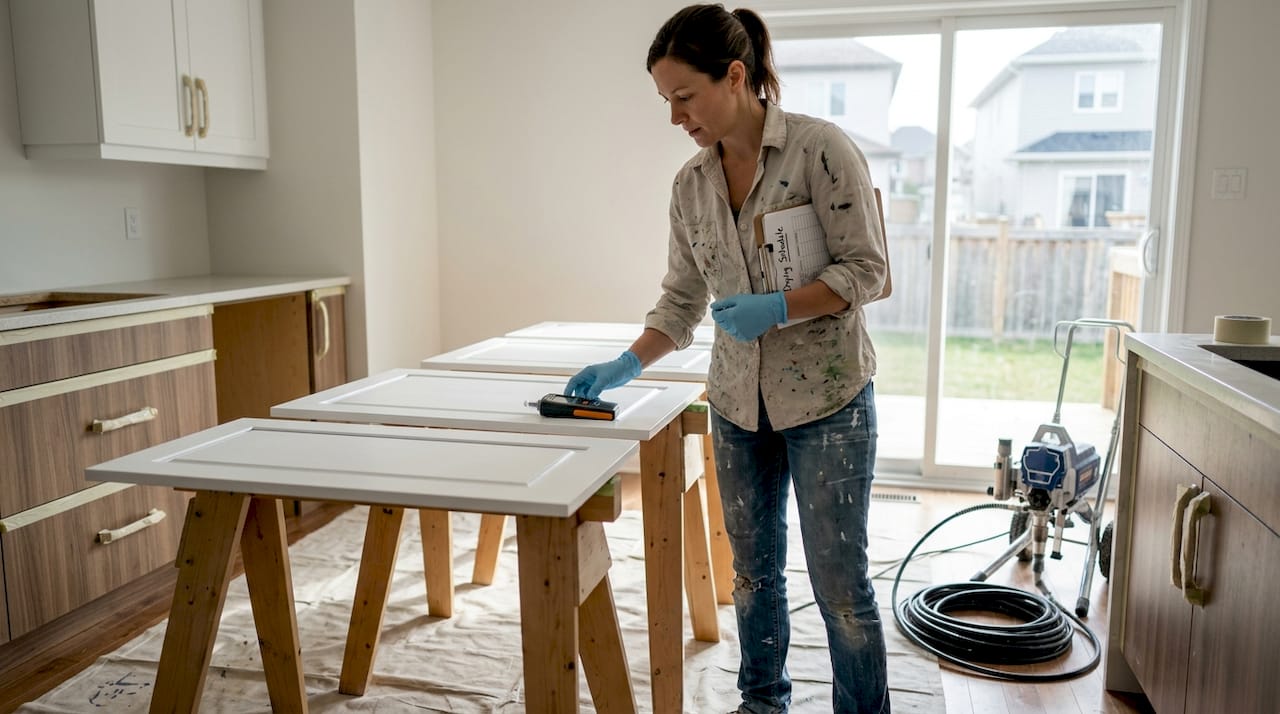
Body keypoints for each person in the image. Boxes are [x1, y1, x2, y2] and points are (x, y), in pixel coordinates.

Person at [565, 4, 891, 712]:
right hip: (739, 404)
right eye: (666, 101)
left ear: (735, 76)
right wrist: (625, 363)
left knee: (840, 584)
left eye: (685, 96)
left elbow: (868, 271)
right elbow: (681, 301)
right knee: (753, 576)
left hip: (829, 400)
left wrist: (779, 306)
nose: (676, 116)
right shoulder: (689, 187)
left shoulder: (820, 150)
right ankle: (761, 703)